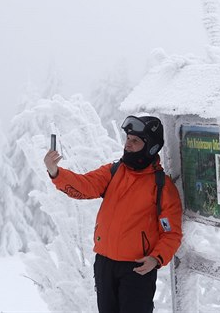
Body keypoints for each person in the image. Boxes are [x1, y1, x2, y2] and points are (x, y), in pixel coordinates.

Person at [44, 115, 183, 313]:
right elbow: (85, 186)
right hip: (105, 265)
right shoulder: (114, 171)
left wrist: (155, 258)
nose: (128, 145)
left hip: (137, 269)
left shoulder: (162, 186)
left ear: (151, 146)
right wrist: (55, 172)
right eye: (128, 139)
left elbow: (171, 233)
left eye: (135, 141)